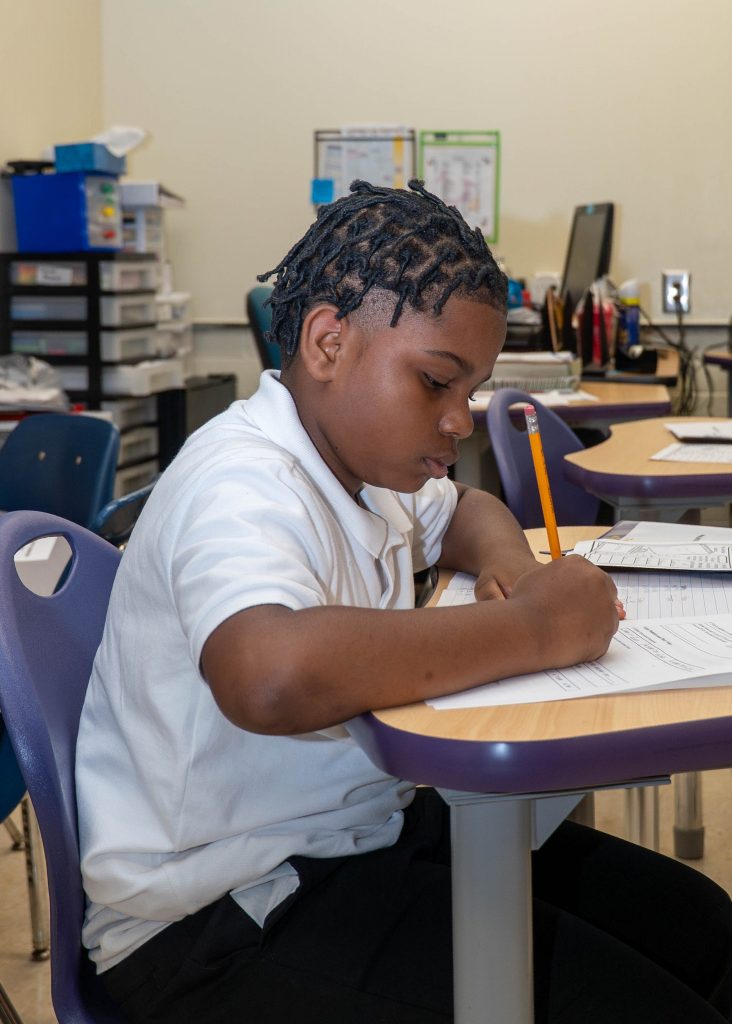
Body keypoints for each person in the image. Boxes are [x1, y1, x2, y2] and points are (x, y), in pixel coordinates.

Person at [76, 179, 732, 1023]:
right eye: (435, 382)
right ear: (328, 342)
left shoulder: (367, 465)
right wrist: (531, 627)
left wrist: (518, 573)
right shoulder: (239, 481)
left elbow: (468, 513)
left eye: (473, 391)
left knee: (706, 930)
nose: (461, 420)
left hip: (359, 833)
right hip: (219, 919)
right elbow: (266, 674)